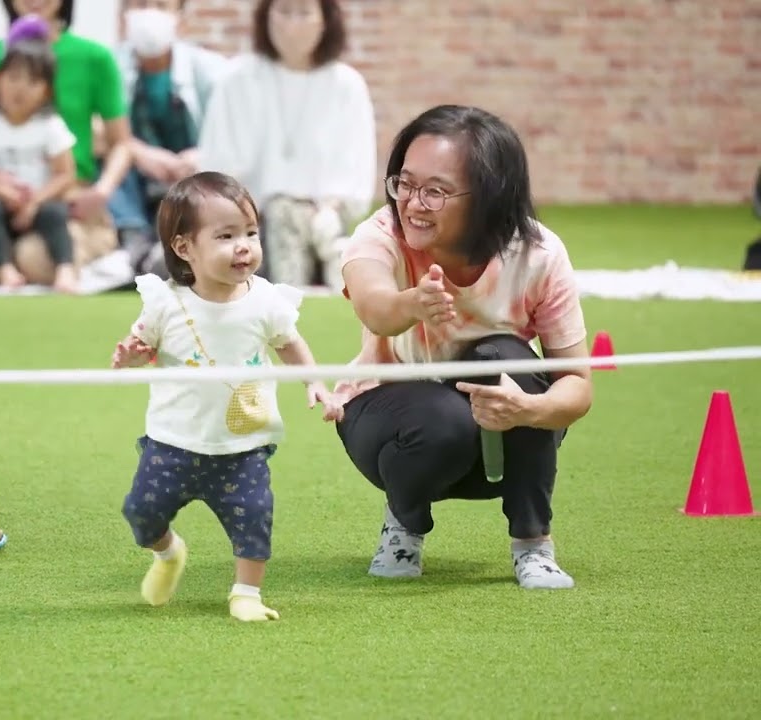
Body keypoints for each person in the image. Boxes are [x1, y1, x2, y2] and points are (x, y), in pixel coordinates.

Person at [331, 105, 593, 590]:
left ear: (490, 197)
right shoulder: (379, 234)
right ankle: (403, 526)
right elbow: (374, 307)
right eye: (404, 184)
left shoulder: (538, 253)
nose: (412, 203)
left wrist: (529, 409)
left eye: (435, 191)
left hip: (495, 435)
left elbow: (577, 385)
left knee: (504, 356)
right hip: (388, 422)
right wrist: (412, 302)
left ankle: (534, 545)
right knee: (442, 420)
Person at [111, 171, 341, 622]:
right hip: (171, 443)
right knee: (141, 514)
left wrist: (314, 382)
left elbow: (289, 343)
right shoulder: (165, 303)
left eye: (251, 233)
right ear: (184, 248)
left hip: (241, 448)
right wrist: (130, 357)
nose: (244, 246)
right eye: (226, 235)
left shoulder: (266, 302)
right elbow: (137, 349)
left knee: (254, 519)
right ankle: (168, 553)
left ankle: (246, 594)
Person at [0, 0, 129, 285]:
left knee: (38, 262)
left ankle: (89, 247)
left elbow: (121, 143)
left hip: (64, 199)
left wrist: (101, 192)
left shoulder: (95, 57)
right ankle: (5, 263)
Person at [197, 0, 376, 289]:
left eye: (304, 12)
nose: (292, 24)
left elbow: (355, 173)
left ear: (325, 20)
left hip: (325, 222)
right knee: (282, 213)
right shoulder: (237, 79)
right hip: (251, 224)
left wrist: (328, 209)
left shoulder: (346, 85)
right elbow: (217, 171)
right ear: (266, 16)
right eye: (284, 11)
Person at [108, 0, 231, 274]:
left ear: (181, 18)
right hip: (136, 177)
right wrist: (138, 151)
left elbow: (235, 131)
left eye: (161, 5)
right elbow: (94, 129)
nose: (150, 13)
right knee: (109, 162)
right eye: (140, 4)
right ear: (123, 16)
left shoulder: (213, 70)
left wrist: (202, 155)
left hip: (196, 173)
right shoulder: (108, 66)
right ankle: (134, 244)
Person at [0, 22, 79, 292]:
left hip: (38, 205)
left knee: (55, 213)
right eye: (13, 78)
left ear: (47, 90)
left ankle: (65, 269)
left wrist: (35, 202)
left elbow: (66, 174)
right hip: (2, 206)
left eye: (33, 81)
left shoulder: (50, 125)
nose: (20, 89)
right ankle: (5, 270)